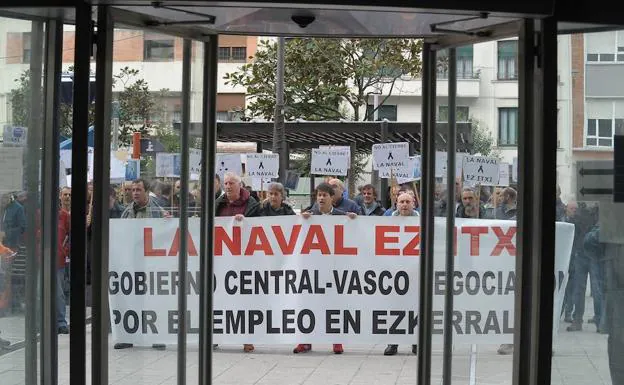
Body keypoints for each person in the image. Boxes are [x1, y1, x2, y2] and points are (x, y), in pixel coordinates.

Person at [293, 183, 357, 355]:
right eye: (318, 195)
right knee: (307, 305)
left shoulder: (342, 217)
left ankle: (337, 341)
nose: (320, 198)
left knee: (335, 304)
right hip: (311, 269)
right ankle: (305, 341)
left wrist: (353, 221)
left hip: (334, 269)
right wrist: (301, 220)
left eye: (324, 195)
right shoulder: (308, 216)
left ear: (332, 198)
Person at [215, 172, 259, 352]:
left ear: (239, 185)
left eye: (231, 183)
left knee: (245, 302)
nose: (228, 186)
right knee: (218, 299)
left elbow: (263, 227)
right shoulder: (218, 203)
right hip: (221, 260)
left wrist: (246, 222)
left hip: (245, 261)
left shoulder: (252, 205)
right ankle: (215, 335)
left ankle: (247, 339)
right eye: (225, 183)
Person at [384, 191, 419, 356]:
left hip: (416, 272)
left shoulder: (422, 222)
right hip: (395, 272)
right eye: (401, 202)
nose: (404, 205)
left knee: (416, 308)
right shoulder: (388, 222)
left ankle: (416, 342)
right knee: (395, 309)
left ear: (413, 204)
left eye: (407, 202)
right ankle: (393, 343)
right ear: (396, 204)